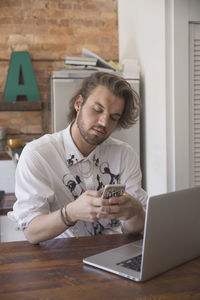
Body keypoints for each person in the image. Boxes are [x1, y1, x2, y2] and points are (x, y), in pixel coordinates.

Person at [8, 72, 147, 244]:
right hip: (60, 259)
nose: (104, 122)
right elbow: (32, 232)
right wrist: (70, 213)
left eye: (113, 118)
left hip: (113, 256)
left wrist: (136, 212)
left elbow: (136, 228)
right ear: (78, 103)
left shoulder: (125, 155)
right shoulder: (37, 154)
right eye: (97, 110)